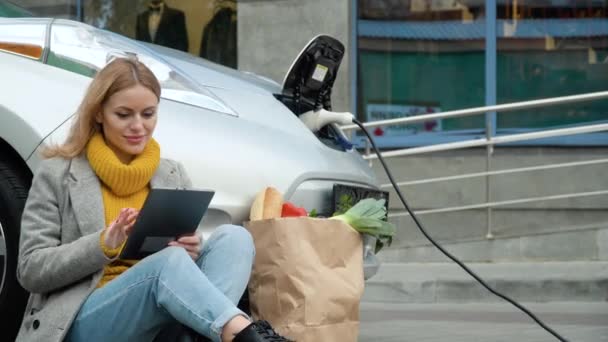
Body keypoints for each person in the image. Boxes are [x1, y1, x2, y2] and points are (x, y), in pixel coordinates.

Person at [15, 57, 291, 342]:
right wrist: (102, 245)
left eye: (148, 114)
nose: (138, 126)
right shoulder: (58, 173)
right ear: (98, 113)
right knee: (166, 263)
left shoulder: (171, 173)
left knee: (235, 238)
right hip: (84, 320)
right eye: (124, 115)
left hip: (160, 318)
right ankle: (244, 335)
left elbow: (185, 268)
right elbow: (30, 270)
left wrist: (193, 249)